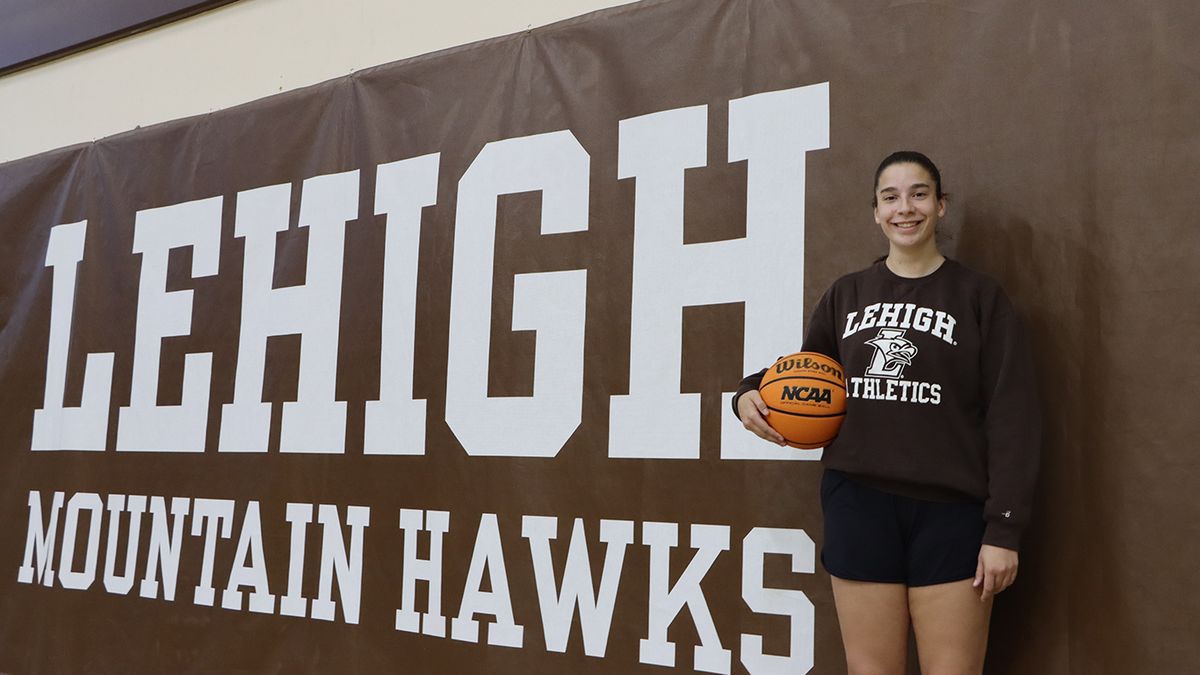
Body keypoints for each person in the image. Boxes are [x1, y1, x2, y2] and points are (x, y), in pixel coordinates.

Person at [733, 151, 1039, 675]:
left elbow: (1014, 417)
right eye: (890, 197)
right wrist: (746, 393)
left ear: (941, 207)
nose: (905, 208)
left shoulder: (979, 297)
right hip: (859, 500)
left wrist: (1003, 530)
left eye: (919, 194)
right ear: (875, 212)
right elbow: (808, 375)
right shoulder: (846, 295)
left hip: (953, 510)